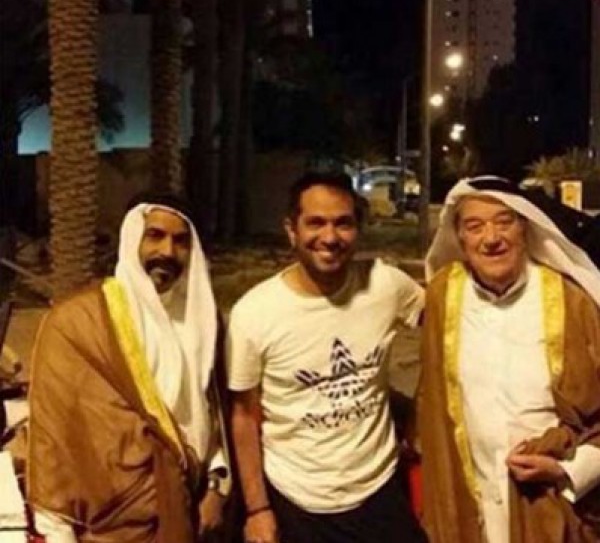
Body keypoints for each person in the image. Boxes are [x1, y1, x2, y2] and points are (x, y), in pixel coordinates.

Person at [227, 172, 427, 543]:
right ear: (292, 230)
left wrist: (422, 408)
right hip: (297, 500)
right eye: (316, 223)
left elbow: (447, 324)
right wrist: (257, 509)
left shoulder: (386, 284)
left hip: (380, 489)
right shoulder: (253, 313)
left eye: (343, 223)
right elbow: (243, 416)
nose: (330, 237)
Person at [27, 193, 231, 543]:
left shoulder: (202, 322)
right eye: (155, 236)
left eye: (180, 241)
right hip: (104, 528)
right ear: (132, 237)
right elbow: (53, 439)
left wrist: (216, 486)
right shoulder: (77, 323)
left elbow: (212, 415)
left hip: (186, 511)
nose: (167, 251)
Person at [418, 175, 600, 543]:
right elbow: (431, 405)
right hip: (471, 505)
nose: (491, 238)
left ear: (524, 228)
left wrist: (568, 470)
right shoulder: (441, 297)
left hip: (553, 505)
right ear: (460, 238)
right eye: (475, 226)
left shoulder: (572, 301)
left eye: (504, 222)